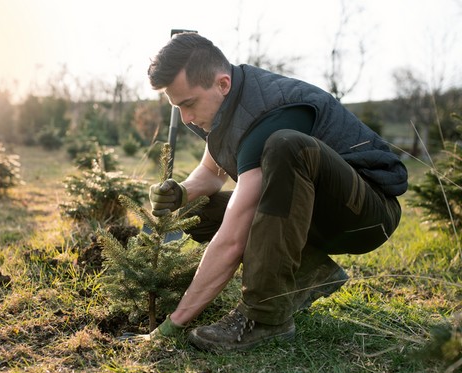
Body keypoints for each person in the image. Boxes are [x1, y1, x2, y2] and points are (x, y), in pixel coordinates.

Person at [145, 32, 408, 351]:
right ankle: (308, 270)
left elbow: (232, 239)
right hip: (311, 210)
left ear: (222, 84)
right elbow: (212, 172)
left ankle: (264, 317)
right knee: (195, 211)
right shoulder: (225, 104)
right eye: (178, 108)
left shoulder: (267, 113)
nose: (186, 118)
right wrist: (181, 194)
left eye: (188, 104)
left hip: (366, 213)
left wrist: (175, 322)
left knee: (287, 146)